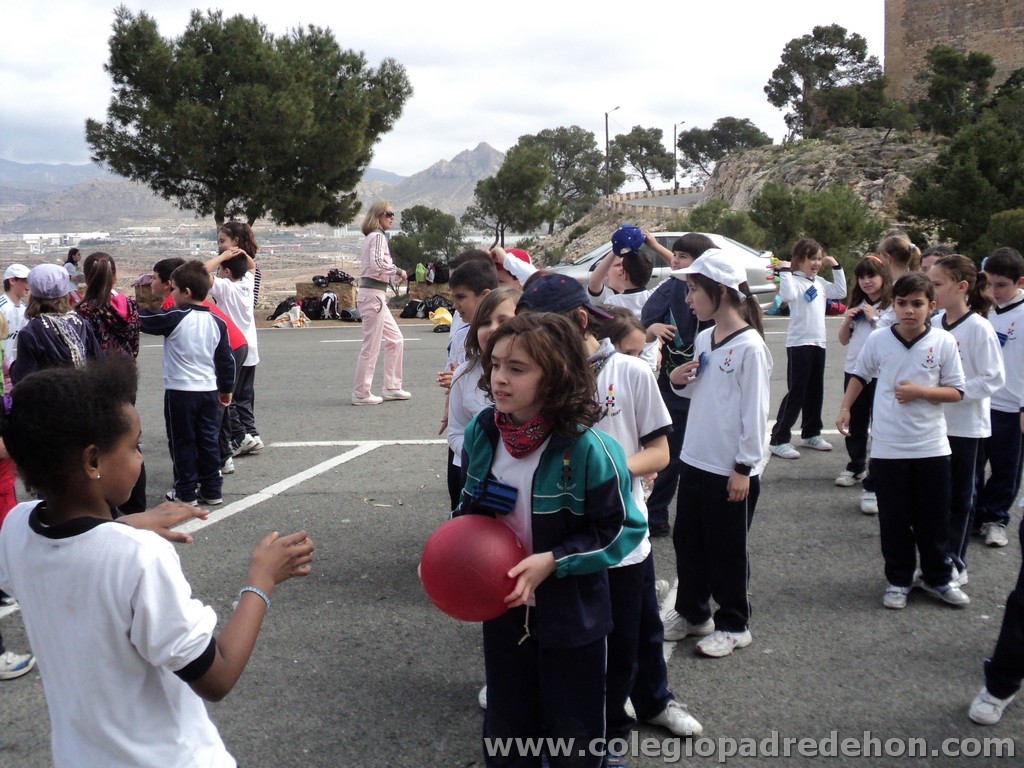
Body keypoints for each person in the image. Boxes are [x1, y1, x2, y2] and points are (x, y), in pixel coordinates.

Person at [0, 360, 314, 766]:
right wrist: (262, 580)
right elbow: (215, 676)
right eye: (134, 447)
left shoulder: (15, 528)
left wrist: (125, 524)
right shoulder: (137, 556)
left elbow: (70, 551)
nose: (141, 459)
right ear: (92, 461)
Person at [517, 274, 701, 752]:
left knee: (634, 637)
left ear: (579, 321)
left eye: (545, 329)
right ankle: (590, 730)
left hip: (621, 536)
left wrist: (607, 476)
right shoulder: (542, 380)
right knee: (577, 646)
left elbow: (659, 452)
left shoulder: (631, 372)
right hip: (566, 544)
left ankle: (648, 706)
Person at [456, 312, 646, 768]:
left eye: (517, 369)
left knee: (574, 731)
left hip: (572, 616)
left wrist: (555, 561)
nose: (499, 378)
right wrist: (453, 556)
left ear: (556, 375)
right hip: (505, 612)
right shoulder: (483, 432)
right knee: (508, 725)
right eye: (496, 364)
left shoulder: (588, 449)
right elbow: (467, 511)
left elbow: (622, 528)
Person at [662, 250, 773, 658]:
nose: (688, 299)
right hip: (695, 459)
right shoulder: (707, 337)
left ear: (721, 291)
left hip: (730, 469)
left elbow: (755, 413)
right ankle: (692, 614)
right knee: (689, 543)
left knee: (727, 551)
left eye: (693, 290)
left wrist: (744, 467)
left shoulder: (751, 348)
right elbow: (701, 388)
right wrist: (677, 380)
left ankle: (734, 623)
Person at [837, 273, 967, 610]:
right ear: (893, 306)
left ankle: (938, 577)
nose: (909, 310)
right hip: (888, 447)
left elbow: (956, 391)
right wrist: (845, 407)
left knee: (934, 518)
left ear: (931, 307)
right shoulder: (879, 339)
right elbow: (860, 375)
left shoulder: (943, 342)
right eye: (902, 303)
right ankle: (899, 578)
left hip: (932, 447)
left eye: (917, 304)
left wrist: (921, 392)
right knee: (894, 519)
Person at [929, 255, 1003, 585]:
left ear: (961, 287)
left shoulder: (979, 328)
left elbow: (992, 378)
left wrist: (953, 391)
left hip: (966, 428)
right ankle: (933, 560)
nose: (932, 290)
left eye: (937, 284)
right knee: (935, 499)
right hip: (933, 428)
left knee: (961, 498)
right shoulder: (932, 324)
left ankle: (955, 561)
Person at [139, 260, 235, 507]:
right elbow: (226, 361)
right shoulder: (217, 322)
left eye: (174, 290)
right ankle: (212, 488)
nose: (172, 295)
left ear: (186, 292)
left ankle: (186, 491)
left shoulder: (175, 316)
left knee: (182, 441)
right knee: (207, 440)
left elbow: (144, 320)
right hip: (208, 390)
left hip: (180, 391)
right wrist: (226, 390)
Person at [641, 233, 716, 537]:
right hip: (672, 388)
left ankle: (702, 514)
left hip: (709, 387)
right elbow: (645, 320)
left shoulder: (717, 292)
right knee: (670, 455)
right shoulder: (672, 286)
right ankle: (656, 514)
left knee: (703, 455)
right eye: (675, 255)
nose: (675, 260)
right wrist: (653, 327)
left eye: (683, 257)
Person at [153, 257, 249, 476]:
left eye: (155, 277)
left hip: (226, 347)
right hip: (237, 343)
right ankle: (224, 457)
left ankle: (207, 466)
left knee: (211, 414)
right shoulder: (187, 298)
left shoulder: (172, 304)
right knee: (220, 407)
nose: (150, 281)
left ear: (169, 284)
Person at [76, 252, 145, 512]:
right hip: (126, 377)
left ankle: (106, 499)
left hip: (99, 382)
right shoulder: (128, 305)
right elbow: (135, 344)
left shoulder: (84, 312)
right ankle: (136, 503)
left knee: (102, 442)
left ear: (86, 278)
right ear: (115, 276)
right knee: (129, 437)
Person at [768, 238, 847, 460]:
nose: (816, 263)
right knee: (797, 392)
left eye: (819, 258)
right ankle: (779, 439)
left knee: (815, 390)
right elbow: (787, 296)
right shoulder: (793, 281)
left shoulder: (819, 282)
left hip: (818, 342)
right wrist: (784, 271)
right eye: (812, 258)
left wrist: (837, 267)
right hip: (799, 344)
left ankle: (811, 433)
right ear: (799, 260)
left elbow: (840, 292)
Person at [446, 287, 520, 511]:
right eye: (485, 322)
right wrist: (482, 455)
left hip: (522, 474)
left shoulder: (537, 375)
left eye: (504, 320)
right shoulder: (463, 374)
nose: (494, 329)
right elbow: (456, 432)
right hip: (475, 476)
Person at [974, 247, 1024, 549]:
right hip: (981, 403)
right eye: (989, 283)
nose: (994, 291)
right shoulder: (984, 311)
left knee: (1006, 469)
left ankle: (996, 518)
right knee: (973, 467)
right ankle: (975, 514)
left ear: (1019, 281)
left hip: (1013, 407)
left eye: (1001, 285)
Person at [835, 255, 893, 510]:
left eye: (872, 276)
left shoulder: (892, 306)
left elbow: (891, 335)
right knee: (855, 420)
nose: (867, 281)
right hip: (855, 371)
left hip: (882, 373)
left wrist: (873, 317)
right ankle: (855, 464)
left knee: (880, 422)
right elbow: (843, 340)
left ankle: (877, 472)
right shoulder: (856, 303)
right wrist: (849, 319)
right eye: (862, 277)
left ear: (884, 278)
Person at [205, 222, 263, 454]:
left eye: (222, 242)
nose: (220, 247)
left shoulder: (226, 287)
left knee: (228, 395)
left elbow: (199, 272)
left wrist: (222, 258)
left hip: (233, 345)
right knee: (245, 396)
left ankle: (240, 436)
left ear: (226, 272)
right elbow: (252, 266)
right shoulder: (247, 282)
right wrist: (241, 255)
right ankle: (252, 433)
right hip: (251, 346)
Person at [351, 201, 409, 405]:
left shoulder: (374, 237)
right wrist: (398, 271)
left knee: (396, 339)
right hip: (373, 297)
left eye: (393, 214)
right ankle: (361, 393)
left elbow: (376, 267)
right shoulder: (377, 236)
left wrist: (392, 274)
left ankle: (392, 387)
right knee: (371, 346)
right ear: (378, 215)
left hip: (375, 295)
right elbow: (378, 263)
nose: (392, 217)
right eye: (388, 214)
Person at [10, 264, 103, 385]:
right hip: (83, 399)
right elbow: (100, 363)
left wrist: (12, 367)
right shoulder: (80, 323)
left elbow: (22, 379)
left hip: (49, 401)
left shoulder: (31, 332)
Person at [0, 263, 29, 363]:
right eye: (25, 281)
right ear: (12, 281)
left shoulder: (25, 310)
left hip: (12, 369)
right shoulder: (2, 308)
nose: (28, 285)